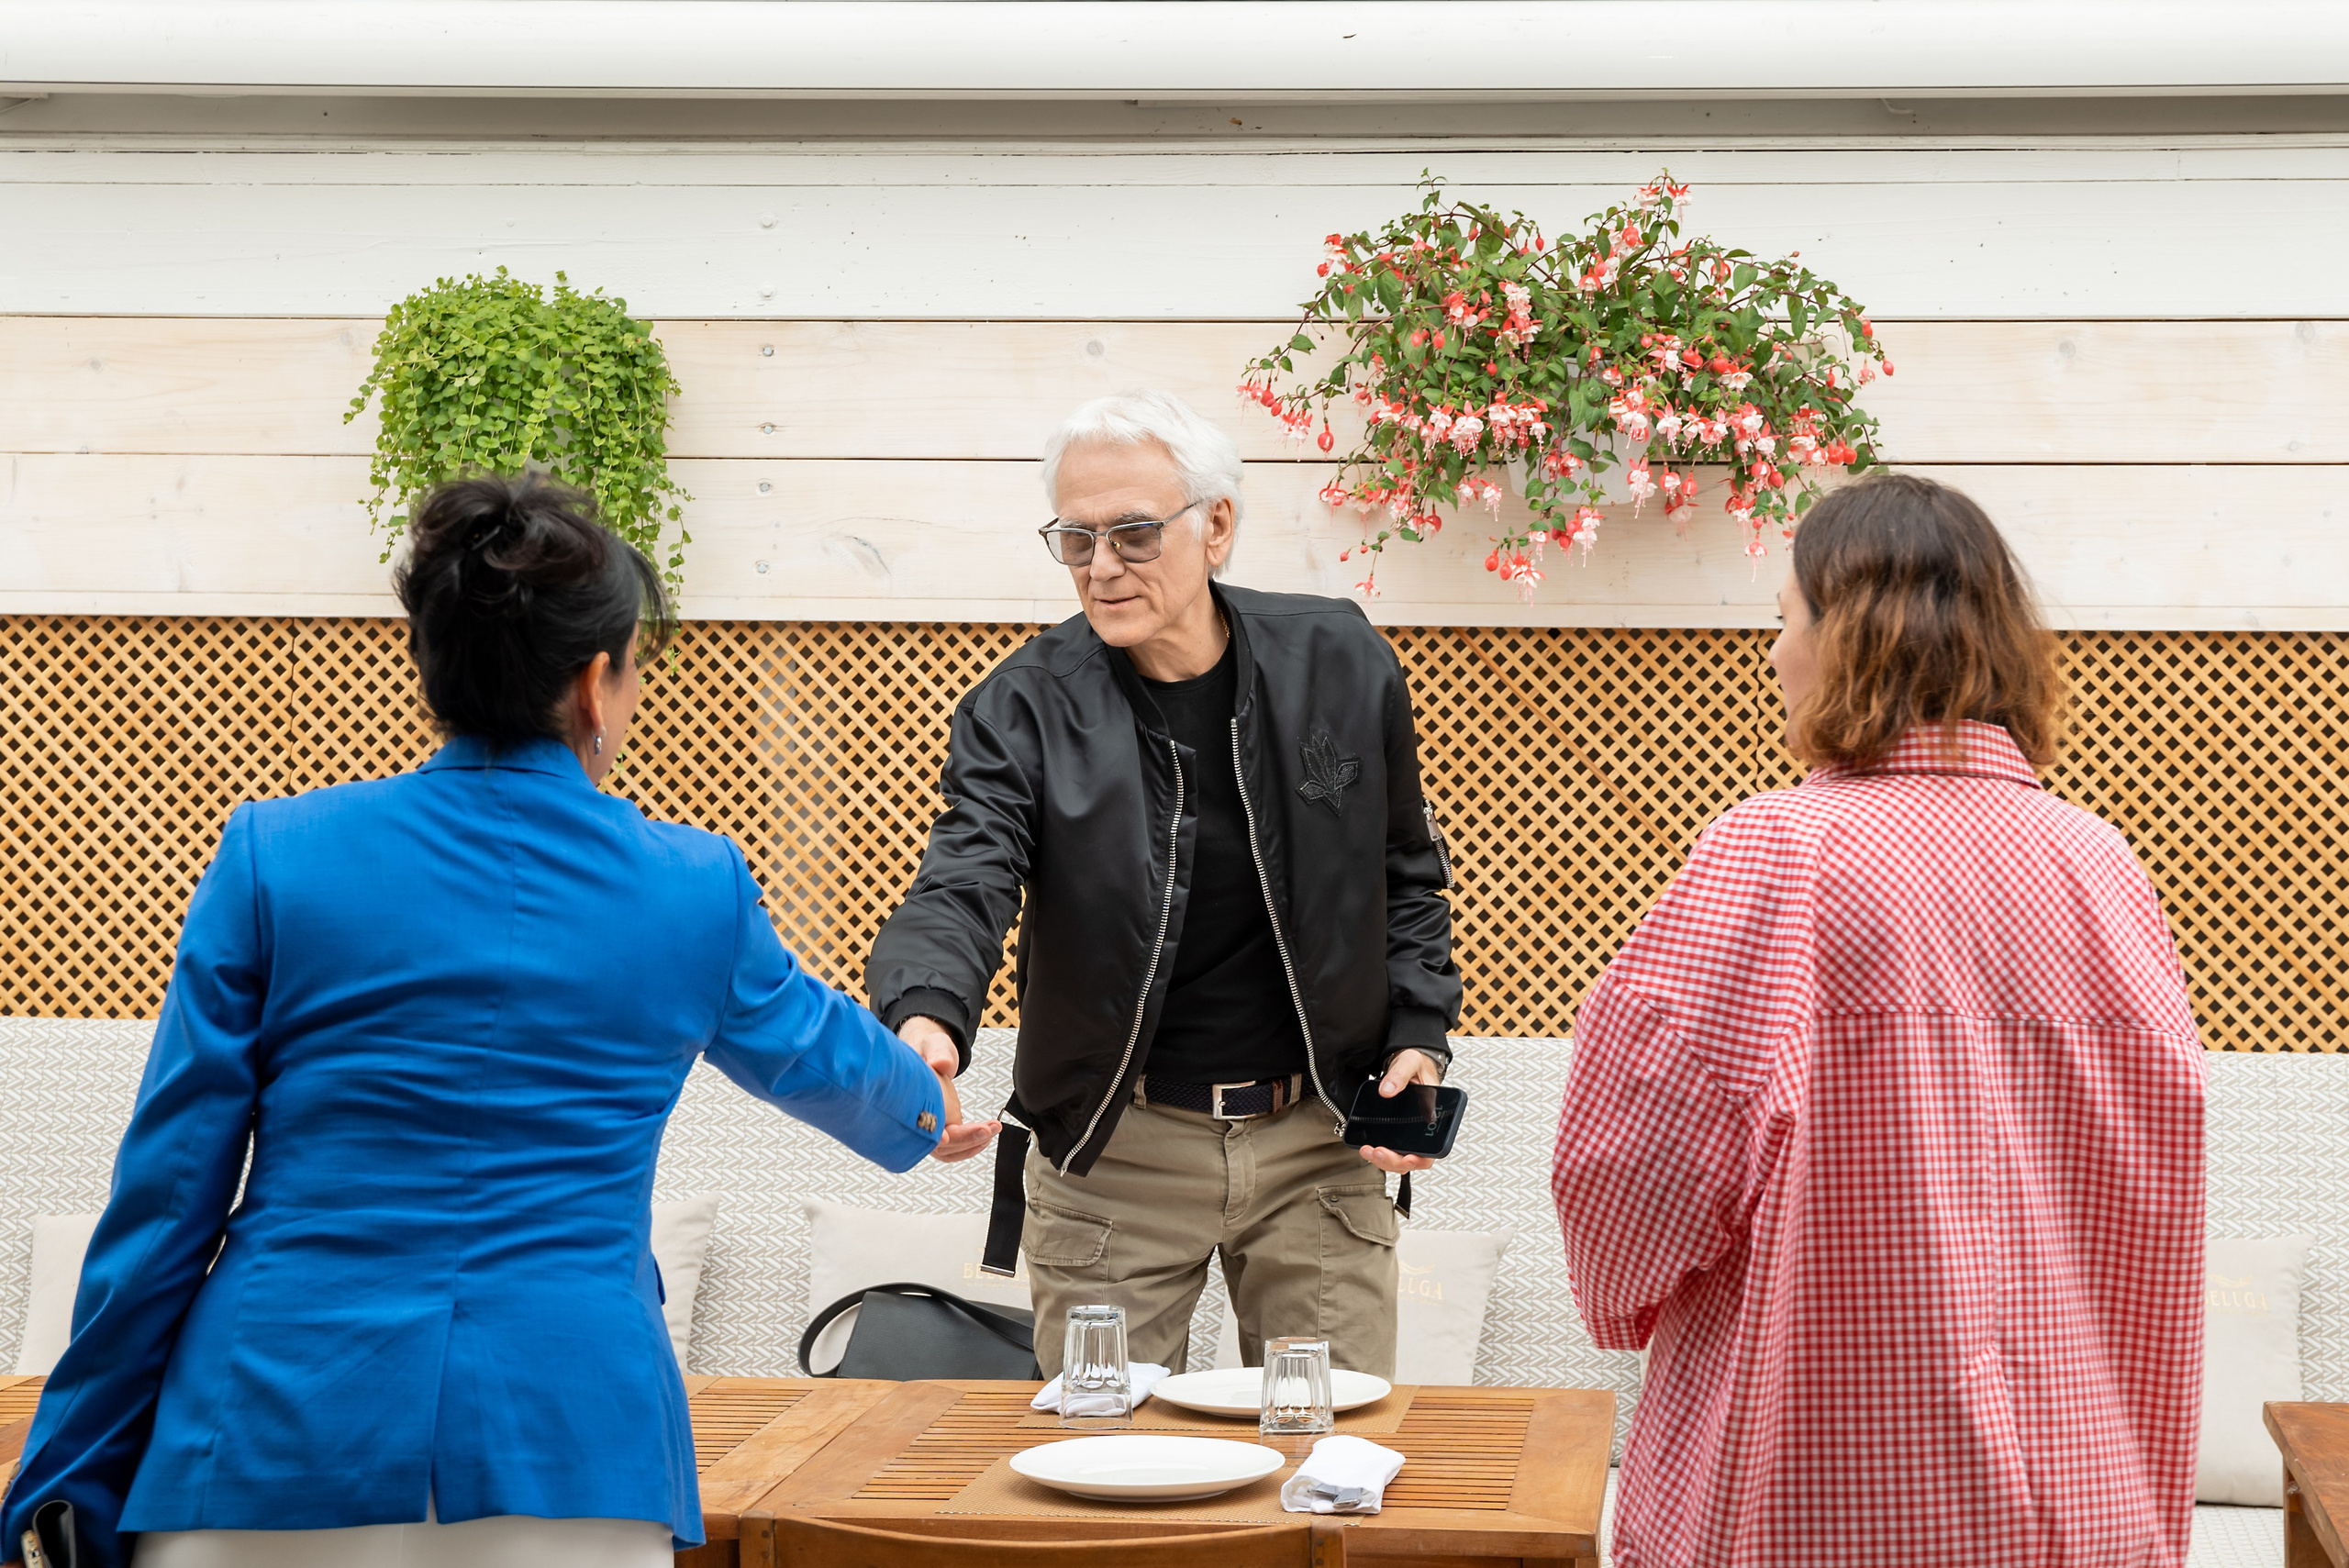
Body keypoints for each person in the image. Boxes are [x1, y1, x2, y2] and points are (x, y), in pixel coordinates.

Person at [0, 475, 976, 1568]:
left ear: (434, 673)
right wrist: (923, 1100)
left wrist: (68, 1456)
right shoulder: (690, 883)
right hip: (569, 1452)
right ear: (596, 685)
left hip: (262, 1436)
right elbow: (817, 1049)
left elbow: (169, 1193)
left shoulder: (276, 853)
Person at [1552, 473, 2205, 1568]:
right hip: (2081, 1490)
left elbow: (1630, 1162)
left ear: (1850, 631)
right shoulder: (2102, 864)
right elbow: (2161, 1166)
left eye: (1784, 619)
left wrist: (1622, 1300)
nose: (1773, 655)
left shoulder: (1776, 855)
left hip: (1820, 1483)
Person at [867, 391, 1462, 1377]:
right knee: (1105, 1482)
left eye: (1135, 533)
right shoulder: (1021, 706)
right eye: (1077, 538)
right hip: (1116, 1152)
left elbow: (1406, 872)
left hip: (1317, 1141)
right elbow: (965, 873)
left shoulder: (1340, 659)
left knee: (1327, 1468)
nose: (1103, 567)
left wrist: (1417, 1036)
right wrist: (924, 1016)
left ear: (1216, 524)